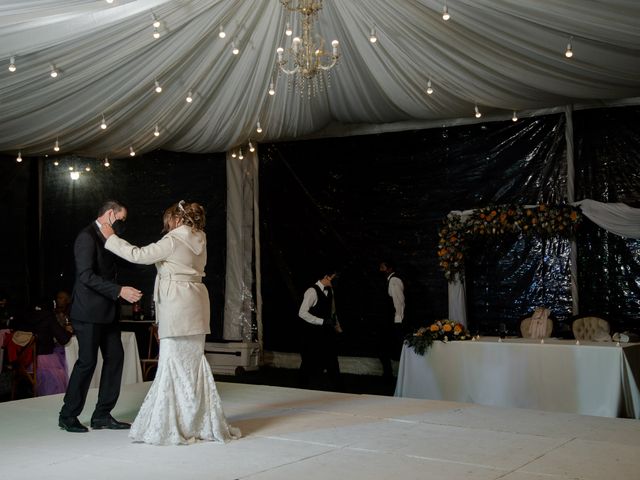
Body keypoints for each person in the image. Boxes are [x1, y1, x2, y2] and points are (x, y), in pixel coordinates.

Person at [101, 200, 240, 445]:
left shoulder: (173, 240)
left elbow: (138, 255)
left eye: (168, 220)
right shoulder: (201, 239)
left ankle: (173, 423)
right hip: (196, 304)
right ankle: (196, 421)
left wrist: (110, 238)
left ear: (176, 219)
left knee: (172, 362)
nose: (166, 225)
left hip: (177, 305)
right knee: (193, 365)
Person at [59, 200, 143, 433]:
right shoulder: (86, 237)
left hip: (108, 313)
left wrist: (153, 260)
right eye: (121, 219)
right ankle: (67, 415)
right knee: (87, 362)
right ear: (109, 214)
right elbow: (85, 276)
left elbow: (125, 263)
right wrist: (119, 291)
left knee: (115, 358)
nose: (123, 224)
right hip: (87, 313)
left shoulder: (110, 238)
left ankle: (102, 415)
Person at [298, 268, 343, 391]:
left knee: (332, 360)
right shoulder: (312, 291)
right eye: (334, 278)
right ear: (326, 276)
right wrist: (321, 321)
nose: (336, 281)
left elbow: (332, 311)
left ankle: (338, 389)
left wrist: (337, 327)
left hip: (327, 333)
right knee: (308, 362)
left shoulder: (330, 291)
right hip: (312, 334)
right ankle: (301, 389)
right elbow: (302, 313)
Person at [17, 298, 72, 396]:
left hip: (24, 360)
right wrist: (68, 331)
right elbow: (63, 339)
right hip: (44, 360)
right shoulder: (48, 317)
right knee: (66, 366)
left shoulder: (24, 316)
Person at [378, 260, 405, 378]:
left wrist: (398, 320)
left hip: (393, 321)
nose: (380, 270)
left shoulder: (394, 280)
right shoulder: (388, 280)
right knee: (383, 348)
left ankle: (389, 374)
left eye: (382, 267)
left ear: (389, 269)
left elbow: (399, 302)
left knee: (390, 348)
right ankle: (387, 373)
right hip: (388, 321)